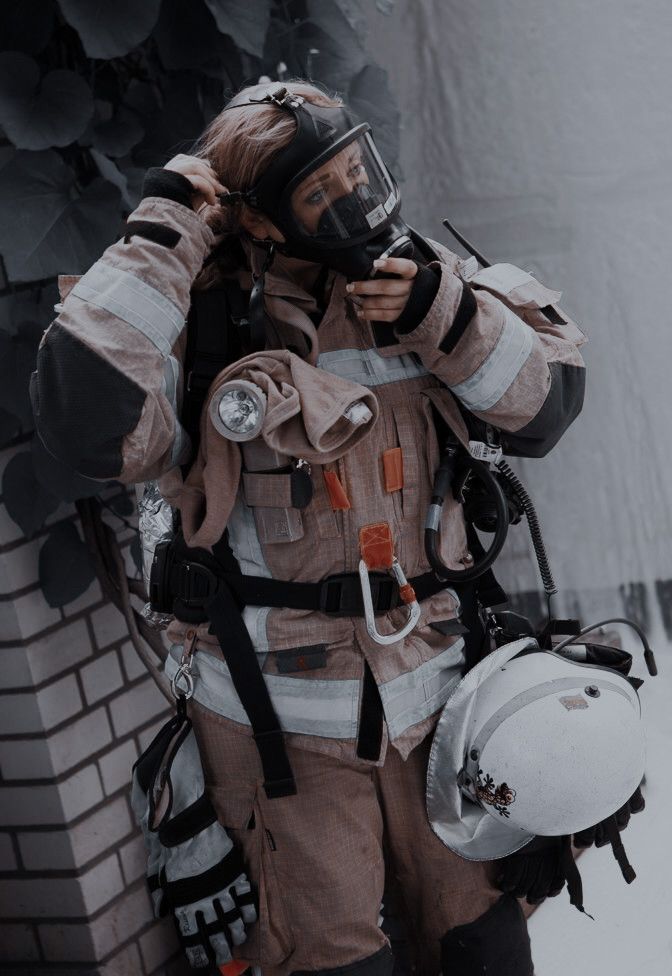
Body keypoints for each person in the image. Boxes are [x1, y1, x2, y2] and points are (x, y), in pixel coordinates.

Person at [31, 80, 588, 975]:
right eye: (316, 196)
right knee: (330, 959)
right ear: (257, 221)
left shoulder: (434, 292)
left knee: (480, 946)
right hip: (276, 732)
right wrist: (170, 225)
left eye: (356, 175)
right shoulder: (196, 332)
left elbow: (547, 408)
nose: (353, 209)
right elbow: (82, 419)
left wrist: (439, 314)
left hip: (443, 702)